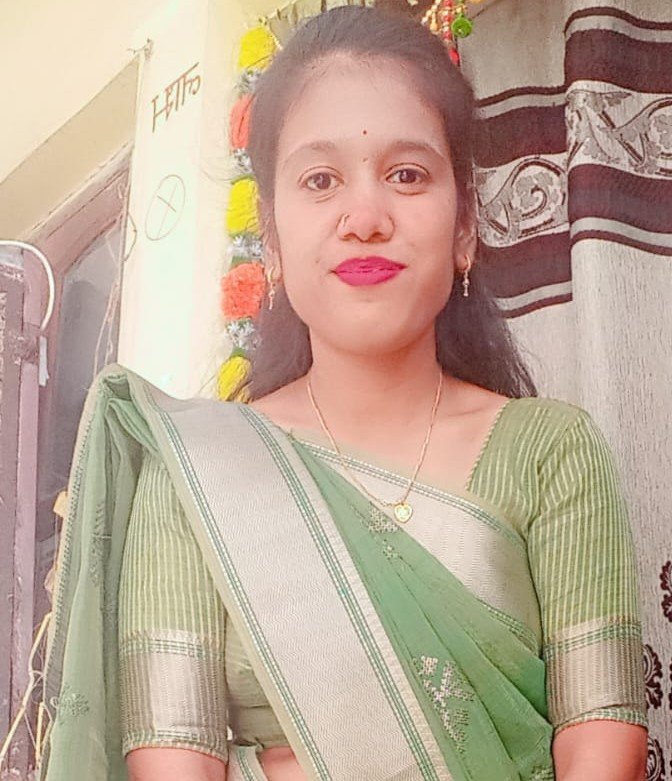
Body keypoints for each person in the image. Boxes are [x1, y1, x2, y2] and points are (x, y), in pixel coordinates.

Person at [38, 6, 648, 781]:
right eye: (320, 180)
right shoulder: (198, 474)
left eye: (407, 174)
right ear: (272, 238)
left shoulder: (549, 451)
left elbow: (605, 745)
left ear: (465, 227)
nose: (365, 217)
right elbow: (171, 765)